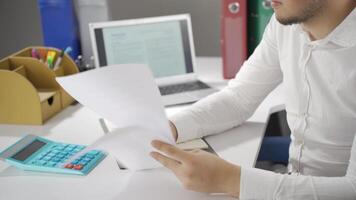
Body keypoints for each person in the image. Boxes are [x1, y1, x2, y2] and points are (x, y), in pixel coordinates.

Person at [149, 0, 356, 199]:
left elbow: (352, 188)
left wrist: (229, 179)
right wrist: (170, 128)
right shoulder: (284, 26)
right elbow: (238, 99)